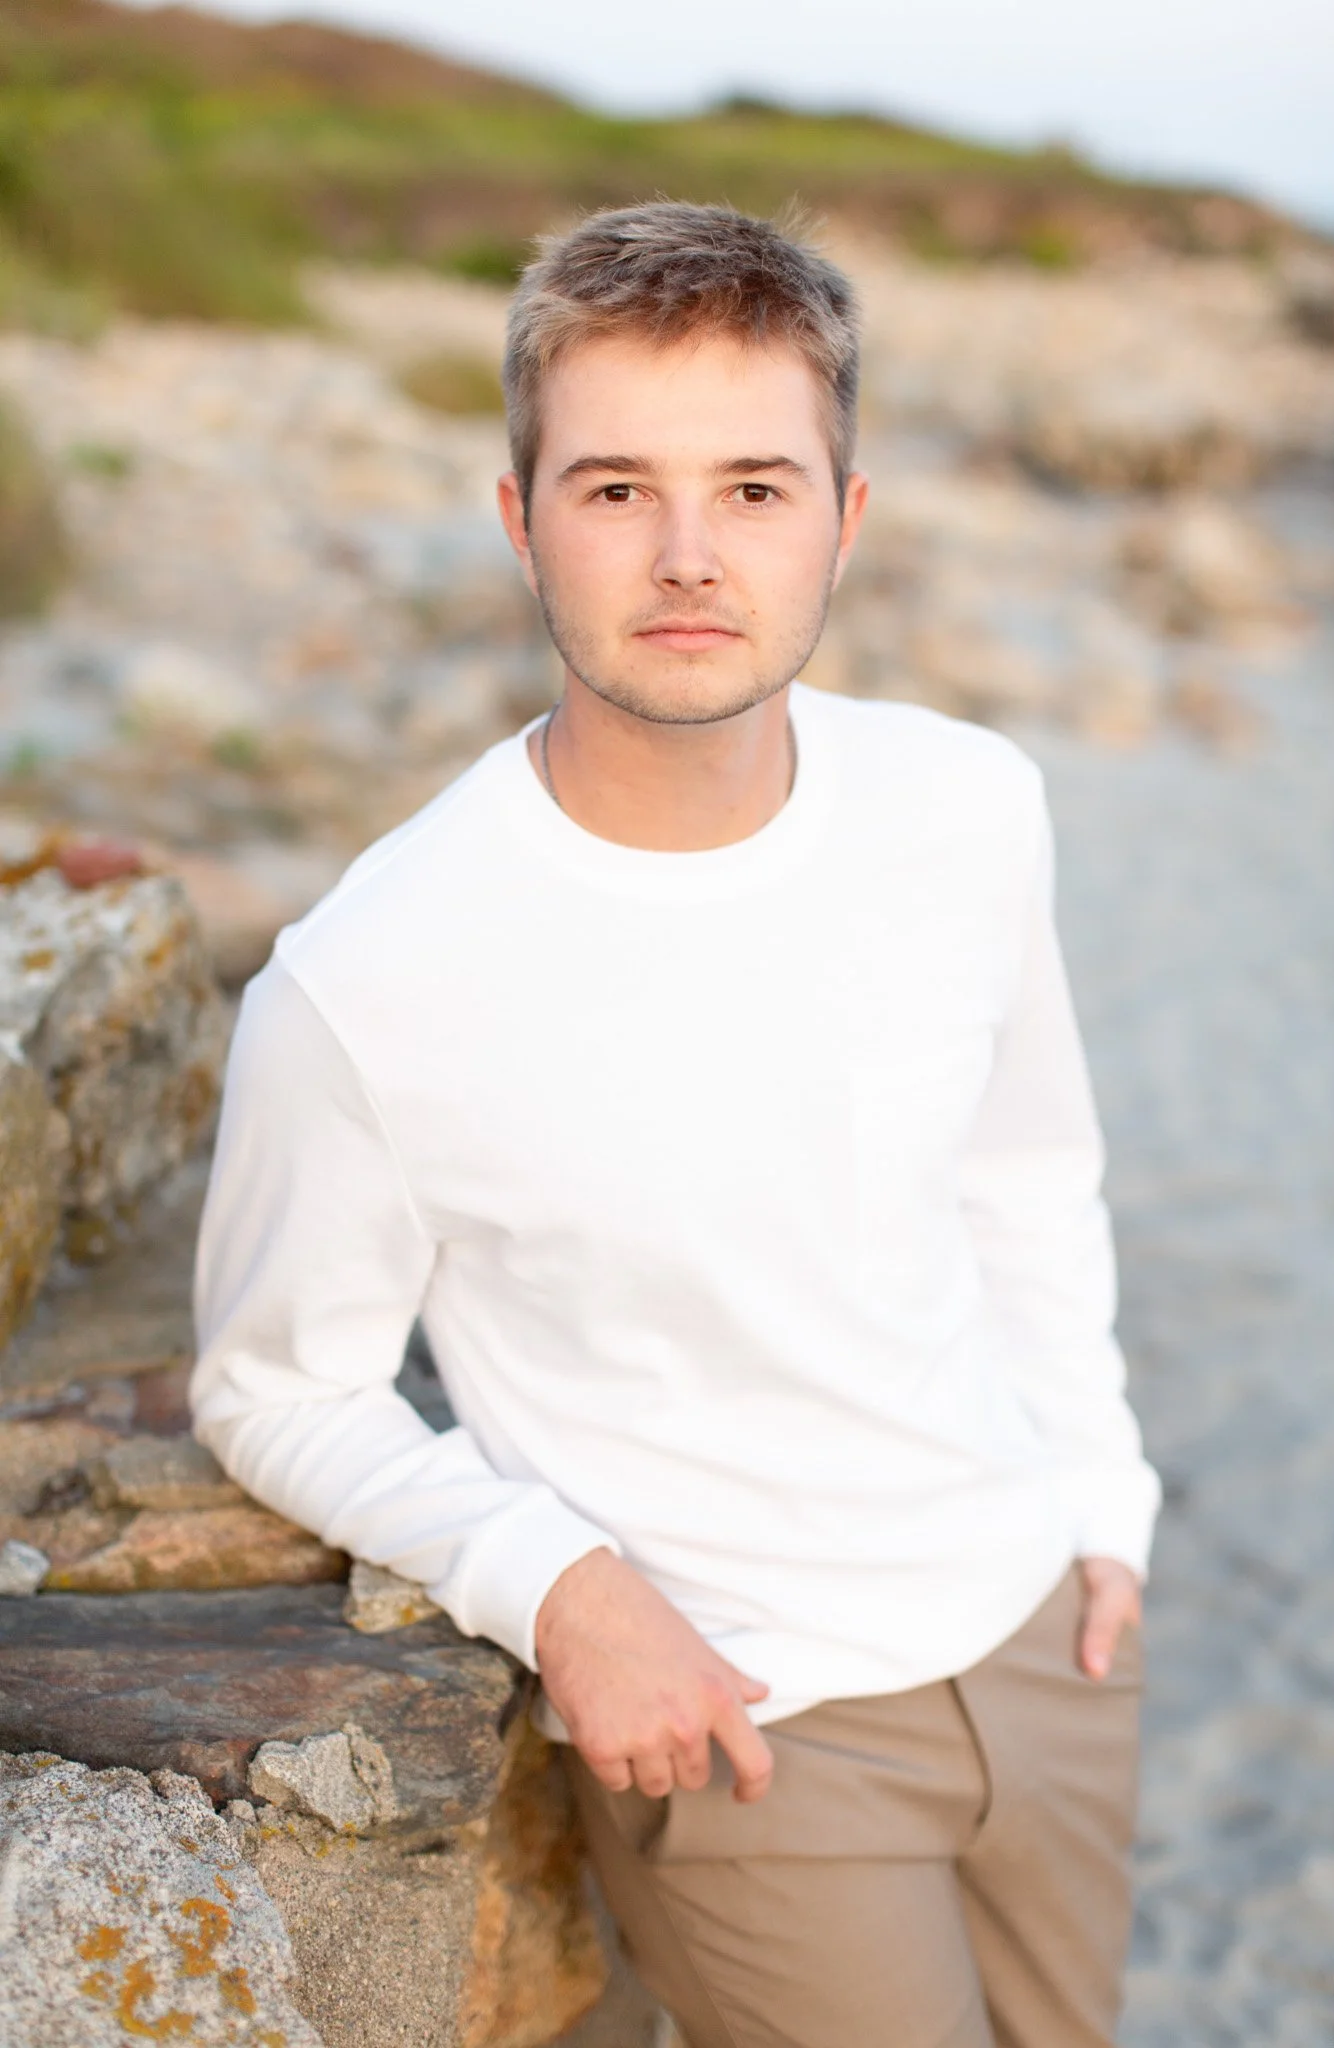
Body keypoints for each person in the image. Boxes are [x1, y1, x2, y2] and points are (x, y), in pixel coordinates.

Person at [192, 201, 1161, 2048]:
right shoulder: (369, 978)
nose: (691, 556)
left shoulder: (969, 807)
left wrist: (1104, 1493)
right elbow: (272, 1384)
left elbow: (1025, 1173)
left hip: (1044, 1643)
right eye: (619, 487)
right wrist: (557, 1584)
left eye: (758, 487)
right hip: (748, 1726)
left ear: (846, 522)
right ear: (519, 520)